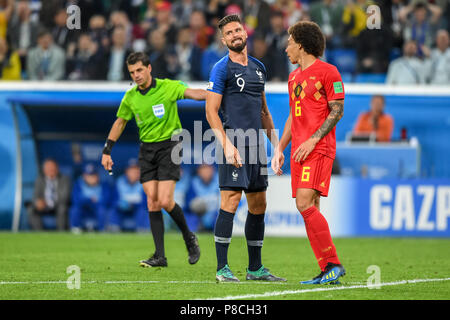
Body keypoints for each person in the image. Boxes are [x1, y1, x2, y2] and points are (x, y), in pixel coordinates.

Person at [101, 51, 205, 267]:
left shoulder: (168, 87)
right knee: (152, 201)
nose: (136, 75)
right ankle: (160, 256)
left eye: (139, 70)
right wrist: (107, 150)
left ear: (149, 68)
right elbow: (120, 122)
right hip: (147, 148)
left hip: (170, 144)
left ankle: (189, 237)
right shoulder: (131, 97)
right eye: (132, 72)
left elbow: (193, 93)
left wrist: (217, 94)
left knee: (165, 200)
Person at [205, 14, 285, 282]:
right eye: (229, 33)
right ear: (223, 39)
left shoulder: (259, 67)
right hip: (234, 144)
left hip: (257, 146)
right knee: (230, 200)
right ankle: (221, 269)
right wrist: (226, 145)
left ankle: (255, 269)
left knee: (258, 203)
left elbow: (264, 111)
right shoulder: (221, 68)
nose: (235, 35)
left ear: (245, 32)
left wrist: (277, 147)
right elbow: (211, 112)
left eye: (238, 29)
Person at [272, 21, 346, 285]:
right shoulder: (293, 78)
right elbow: (294, 115)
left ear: (301, 45)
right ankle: (328, 268)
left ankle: (333, 264)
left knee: (304, 203)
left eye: (289, 42)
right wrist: (280, 148)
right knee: (309, 207)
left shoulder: (329, 72)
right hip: (299, 150)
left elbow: (337, 110)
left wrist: (313, 140)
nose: (286, 48)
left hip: (318, 147)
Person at [28, 158, 71, 231]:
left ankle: (62, 233)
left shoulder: (64, 179)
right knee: (31, 209)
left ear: (57, 169)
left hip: (58, 205)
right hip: (44, 206)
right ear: (44, 170)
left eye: (52, 168)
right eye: (48, 168)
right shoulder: (40, 180)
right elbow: (35, 196)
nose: (51, 170)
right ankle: (39, 233)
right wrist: (38, 202)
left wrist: (50, 202)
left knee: (62, 208)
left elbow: (65, 196)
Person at [69, 162, 113, 233]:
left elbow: (107, 201)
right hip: (83, 209)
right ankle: (75, 229)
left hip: (97, 208)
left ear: (97, 175)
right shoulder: (78, 184)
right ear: (84, 176)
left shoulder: (104, 185)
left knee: (102, 210)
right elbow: (75, 200)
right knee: (75, 209)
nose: (91, 178)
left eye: (93, 175)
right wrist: (89, 200)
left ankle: (102, 230)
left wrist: (95, 202)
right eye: (89, 175)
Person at [108, 158, 148, 232]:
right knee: (114, 209)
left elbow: (146, 202)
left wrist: (135, 204)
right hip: (123, 208)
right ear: (126, 171)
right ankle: (113, 229)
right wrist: (120, 203)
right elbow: (113, 200)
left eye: (136, 170)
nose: (134, 173)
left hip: (138, 207)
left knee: (142, 211)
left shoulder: (145, 183)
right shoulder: (119, 182)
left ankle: (142, 230)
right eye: (131, 171)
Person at [185, 164, 219, 231]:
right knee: (191, 217)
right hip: (200, 215)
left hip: (216, 213)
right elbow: (189, 203)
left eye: (207, 169)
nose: (205, 172)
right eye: (203, 169)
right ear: (198, 171)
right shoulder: (194, 182)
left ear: (212, 170)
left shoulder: (220, 180)